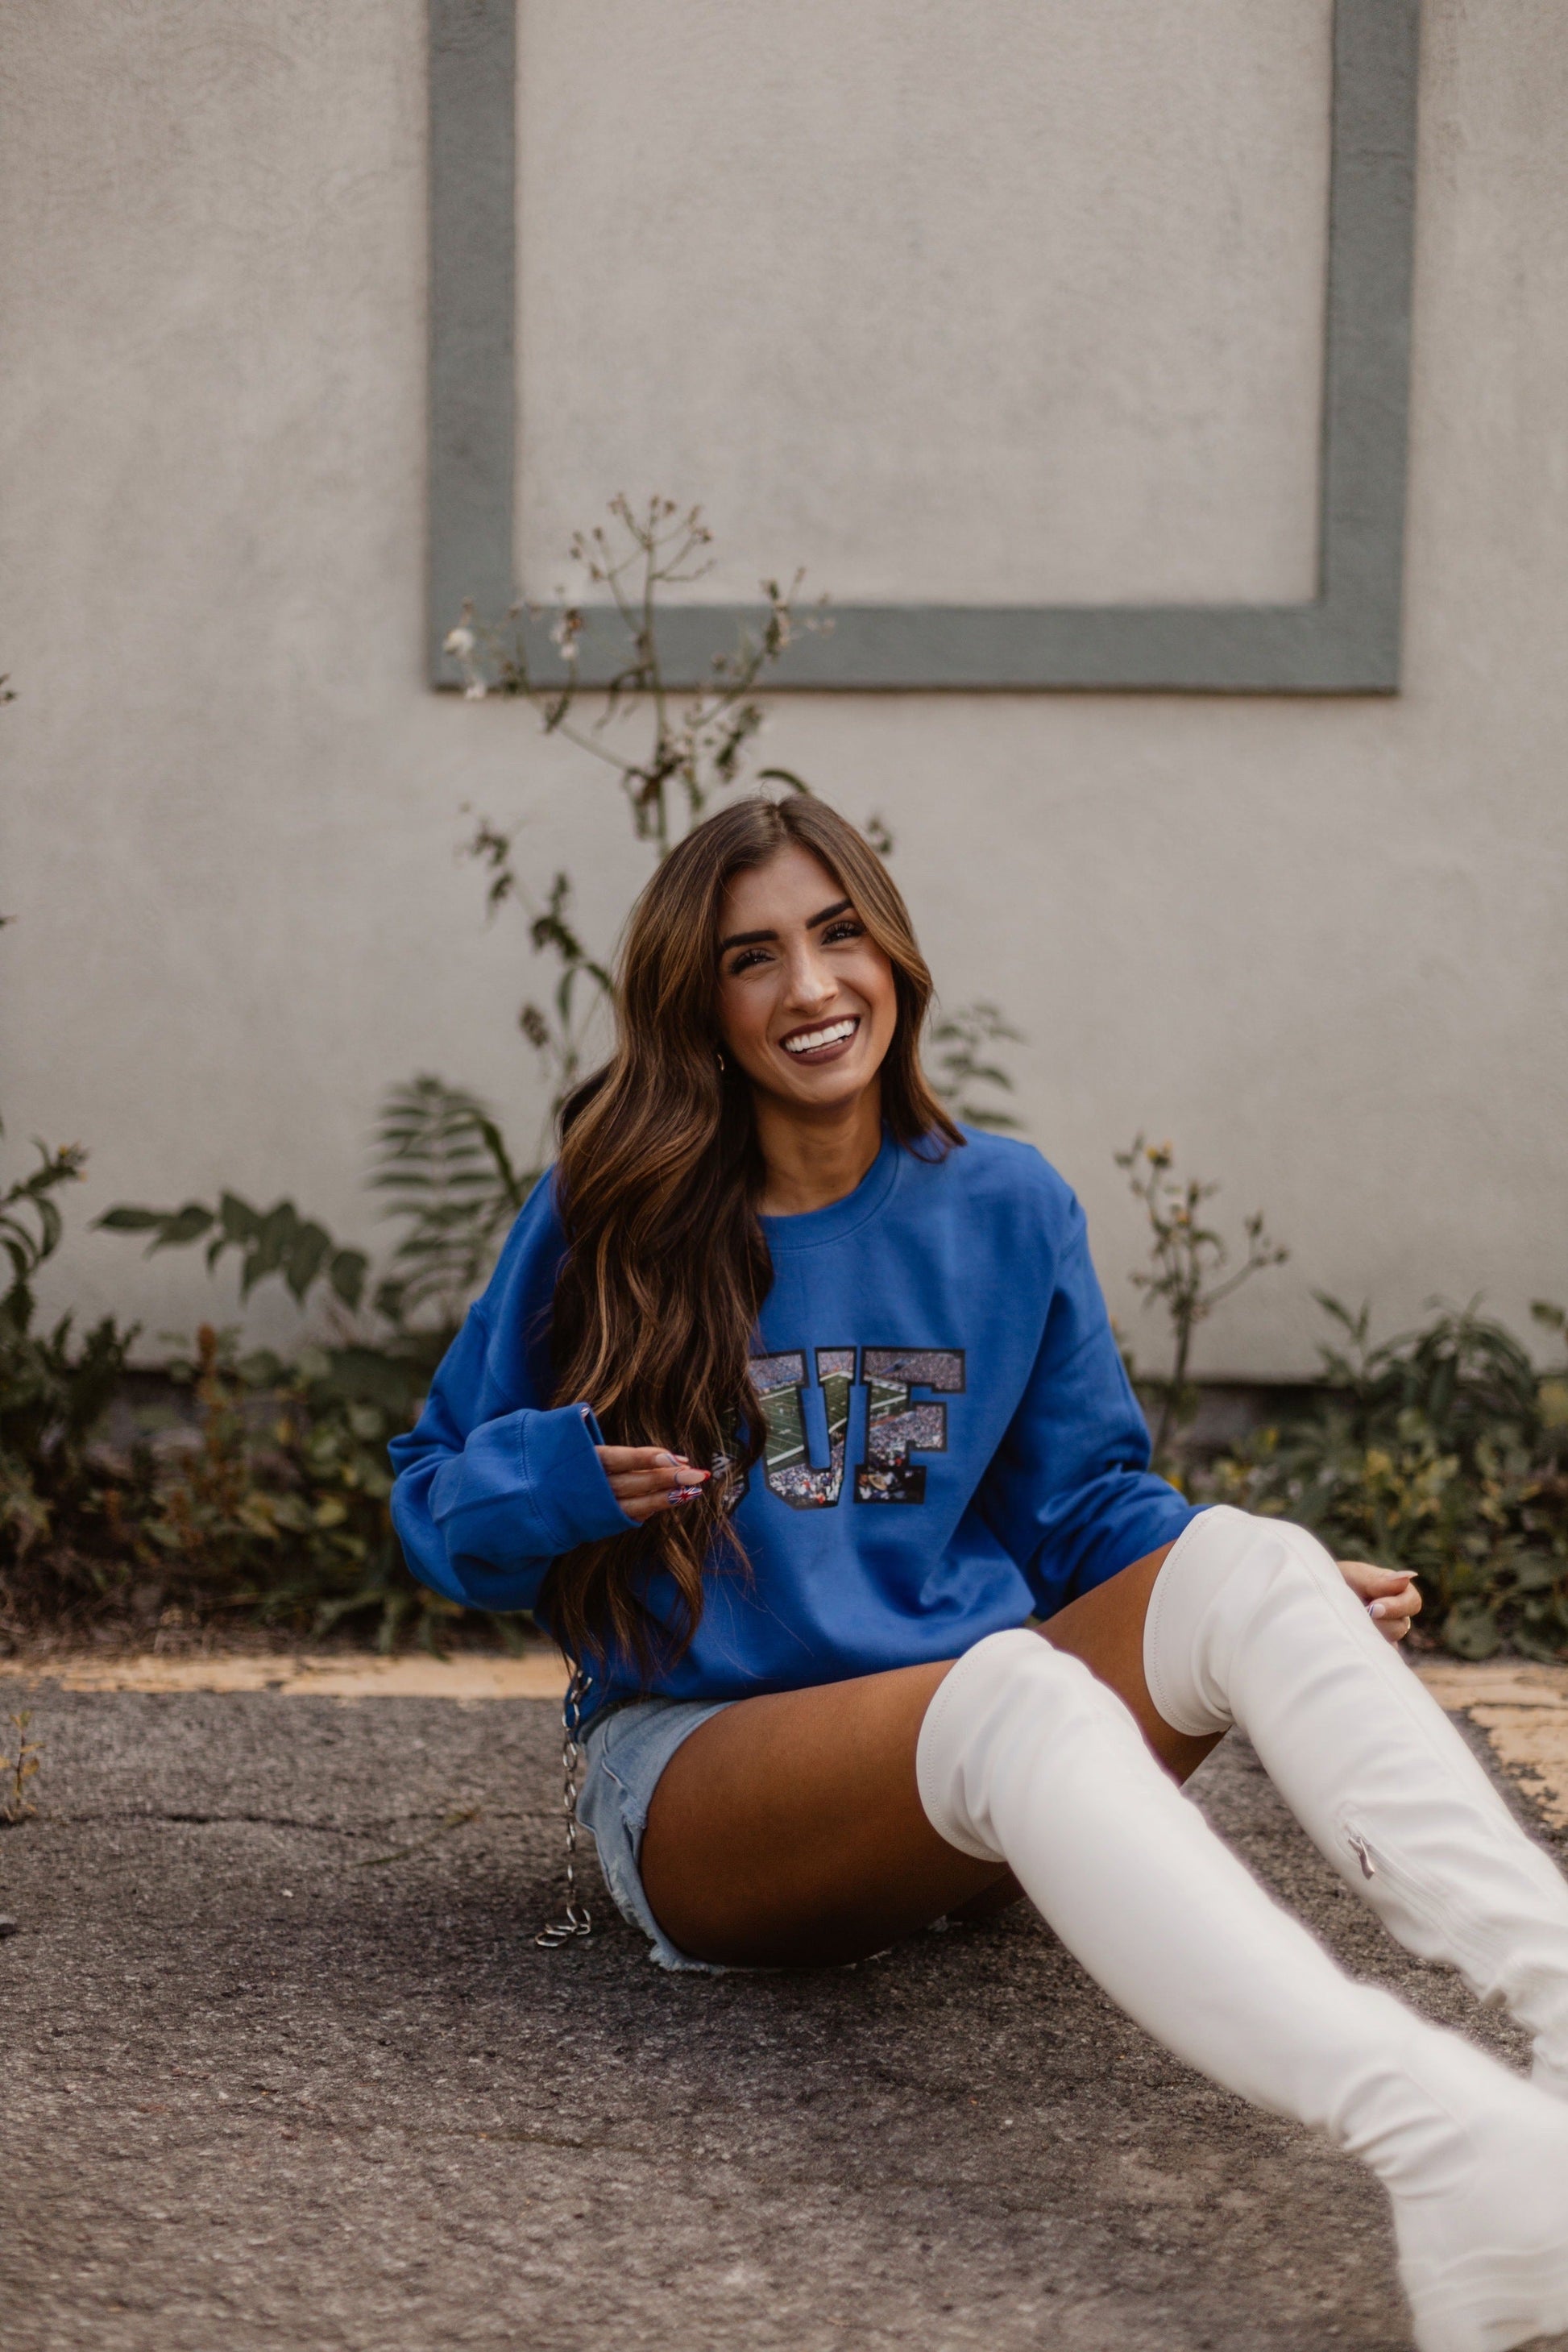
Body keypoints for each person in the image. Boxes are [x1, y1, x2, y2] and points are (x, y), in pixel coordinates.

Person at [392, 794, 1568, 2352]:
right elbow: (429, 1515)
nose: (810, 989)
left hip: (965, 1759)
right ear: (702, 1006)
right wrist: (549, 1477)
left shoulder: (1003, 1204)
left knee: (1253, 1564)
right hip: (700, 1781)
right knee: (1014, 1684)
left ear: (893, 953)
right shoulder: (613, 1213)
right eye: (753, 959)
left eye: (836, 934)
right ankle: (1451, 2156)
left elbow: (1087, 1506)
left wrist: (1257, 1613)